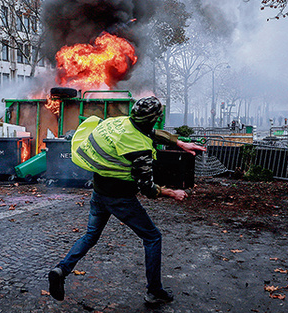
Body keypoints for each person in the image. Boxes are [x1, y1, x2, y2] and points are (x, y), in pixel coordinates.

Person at [48, 96, 206, 304]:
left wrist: (179, 142)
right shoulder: (139, 149)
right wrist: (172, 193)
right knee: (152, 237)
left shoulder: (119, 122)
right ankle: (154, 292)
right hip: (120, 198)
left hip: (99, 191)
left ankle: (62, 269)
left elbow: (150, 132)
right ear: (154, 118)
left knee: (90, 236)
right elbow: (147, 188)